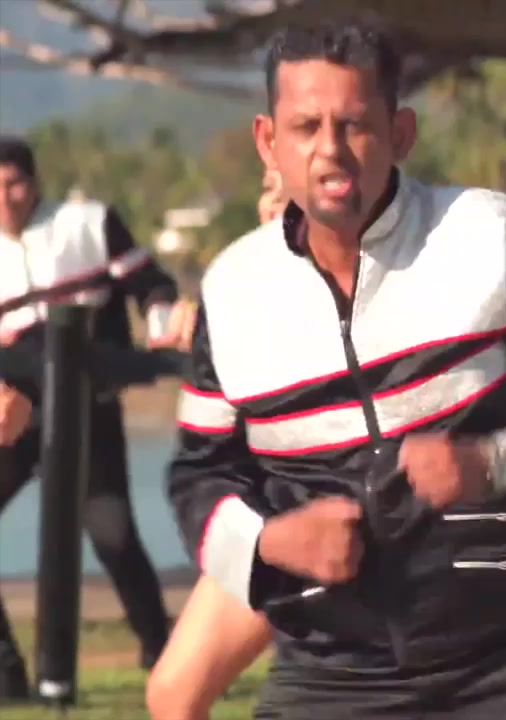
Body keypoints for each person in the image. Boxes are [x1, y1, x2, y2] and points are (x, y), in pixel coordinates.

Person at [164, 23, 506, 720]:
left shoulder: (496, 239)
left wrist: (493, 463)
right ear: (268, 142)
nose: (330, 150)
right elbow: (200, 474)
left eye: (354, 125)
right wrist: (268, 540)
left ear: (400, 133)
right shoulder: (232, 292)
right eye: (305, 127)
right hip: (329, 676)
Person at [0, 136, 177, 702]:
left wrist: (161, 323)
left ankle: (167, 659)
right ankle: (7, 678)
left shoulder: (87, 224)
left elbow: (152, 285)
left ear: (34, 181)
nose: (5, 198)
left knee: (114, 539)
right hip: (13, 419)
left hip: (87, 414)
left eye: (14, 183)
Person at [145, 171, 291, 720]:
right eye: (269, 189)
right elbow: (203, 456)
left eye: (290, 193)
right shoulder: (239, 288)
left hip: (362, 523)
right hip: (272, 524)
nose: (276, 205)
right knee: (173, 694)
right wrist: (202, 323)